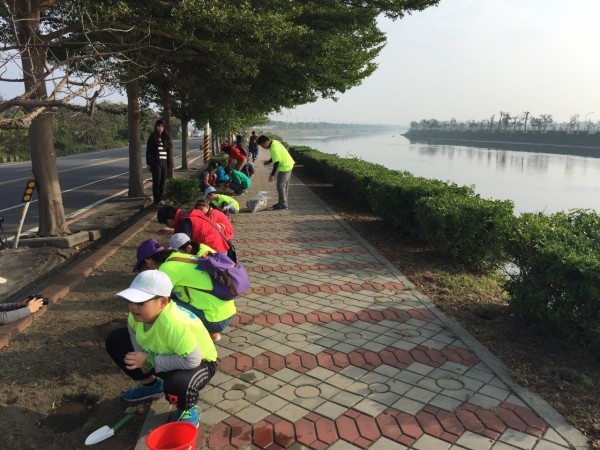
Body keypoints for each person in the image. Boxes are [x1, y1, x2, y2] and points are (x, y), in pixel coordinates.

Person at [105, 270, 217, 427]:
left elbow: (192, 360)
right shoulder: (136, 315)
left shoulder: (174, 323)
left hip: (200, 362)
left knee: (176, 384)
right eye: (130, 301)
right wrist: (142, 356)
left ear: (163, 302)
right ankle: (151, 385)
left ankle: (186, 408)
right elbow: (132, 330)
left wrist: (150, 360)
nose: (133, 307)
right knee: (116, 339)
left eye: (140, 302)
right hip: (162, 354)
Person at [133, 239, 235, 342]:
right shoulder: (179, 256)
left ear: (147, 262)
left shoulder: (167, 269)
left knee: (161, 307)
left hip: (215, 320)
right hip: (226, 311)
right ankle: (211, 334)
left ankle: (182, 341)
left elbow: (152, 298)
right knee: (173, 297)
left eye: (142, 269)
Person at [157, 206, 230, 254]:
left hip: (215, 251)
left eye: (166, 224)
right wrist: (170, 230)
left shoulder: (184, 223)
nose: (168, 226)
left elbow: (183, 247)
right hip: (221, 244)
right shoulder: (187, 214)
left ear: (169, 221)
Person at [258, 135, 295, 210]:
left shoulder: (273, 148)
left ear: (266, 142)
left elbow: (276, 162)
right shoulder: (275, 142)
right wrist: (269, 161)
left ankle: (284, 205)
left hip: (285, 167)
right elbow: (276, 156)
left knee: (280, 186)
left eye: (262, 145)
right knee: (283, 186)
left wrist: (272, 175)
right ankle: (281, 203)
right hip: (288, 163)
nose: (263, 147)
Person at [146, 119, 173, 206]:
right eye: (158, 126)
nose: (159, 128)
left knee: (163, 182)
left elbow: (168, 152)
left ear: (164, 127)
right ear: (155, 127)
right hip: (155, 163)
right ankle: (156, 200)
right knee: (156, 182)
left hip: (164, 162)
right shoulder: (152, 137)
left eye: (161, 126)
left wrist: (169, 164)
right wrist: (148, 164)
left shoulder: (166, 137)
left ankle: (161, 199)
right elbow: (148, 152)